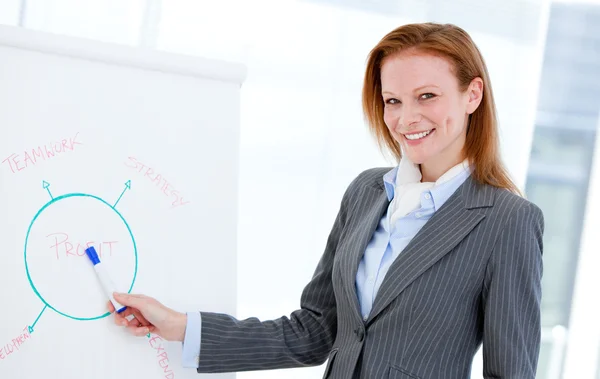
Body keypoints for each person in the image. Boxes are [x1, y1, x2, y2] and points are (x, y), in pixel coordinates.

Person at [109, 22, 544, 379]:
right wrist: (182, 326)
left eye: (426, 96)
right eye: (392, 100)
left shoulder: (507, 221)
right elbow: (315, 331)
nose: (406, 118)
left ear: (473, 94)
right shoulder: (367, 192)